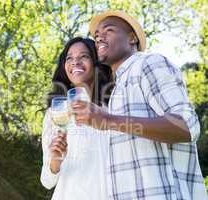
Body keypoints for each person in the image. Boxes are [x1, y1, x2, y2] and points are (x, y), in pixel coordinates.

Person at [70, 10, 208, 199]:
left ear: (132, 38)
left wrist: (107, 120)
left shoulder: (148, 63)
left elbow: (187, 126)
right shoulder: (118, 88)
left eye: (108, 30)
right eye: (96, 36)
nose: (99, 37)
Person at [40, 37, 114, 199]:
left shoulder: (114, 107)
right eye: (69, 58)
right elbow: (47, 181)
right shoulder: (56, 112)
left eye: (84, 56)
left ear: (96, 63)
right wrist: (55, 160)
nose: (75, 62)